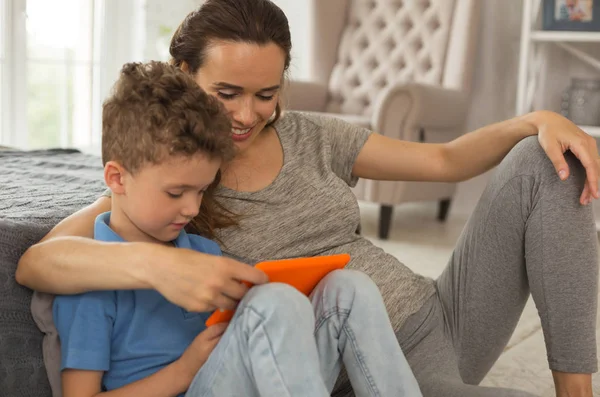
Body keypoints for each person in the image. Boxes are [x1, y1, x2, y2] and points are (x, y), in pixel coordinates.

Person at [16, 0, 599, 396]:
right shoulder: (175, 181)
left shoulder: (313, 135)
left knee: (546, 158)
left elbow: (443, 161)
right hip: (350, 358)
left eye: (266, 93)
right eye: (226, 92)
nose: (247, 114)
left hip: (439, 314)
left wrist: (534, 119)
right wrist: (159, 263)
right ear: (182, 73)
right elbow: (40, 259)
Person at [52, 60, 422, 397]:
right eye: (176, 192)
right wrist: (183, 372)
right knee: (273, 302)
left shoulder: (202, 253)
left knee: (348, 288)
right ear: (117, 178)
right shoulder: (90, 284)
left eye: (201, 190)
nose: (192, 208)